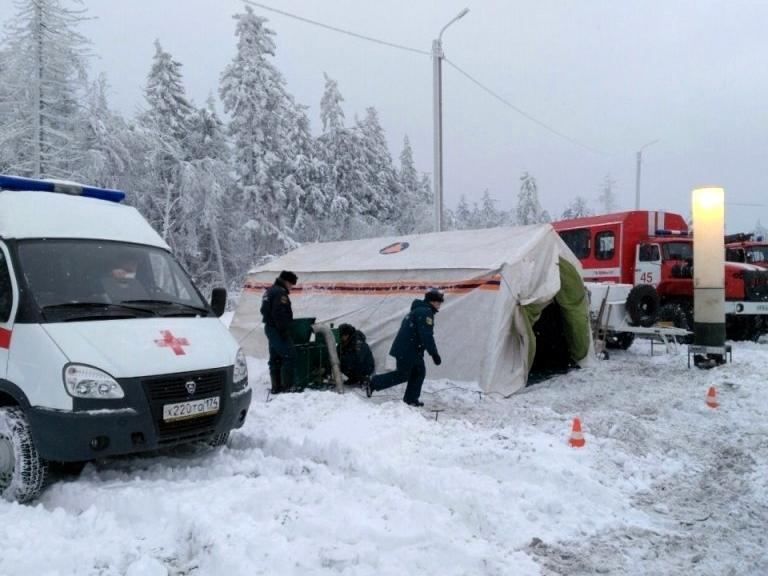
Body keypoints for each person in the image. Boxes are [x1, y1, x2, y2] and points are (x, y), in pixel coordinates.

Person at [366, 289, 443, 407]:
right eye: (438, 302)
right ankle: (373, 383)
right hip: (409, 350)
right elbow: (426, 335)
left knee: (418, 372)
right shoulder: (425, 313)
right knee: (403, 375)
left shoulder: (419, 310)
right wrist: (434, 354)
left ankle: (411, 399)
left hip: (409, 349)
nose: (439, 305)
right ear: (432, 301)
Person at [261, 270, 298, 394]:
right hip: (277, 329)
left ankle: (276, 388)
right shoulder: (280, 293)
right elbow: (279, 313)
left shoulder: (269, 291)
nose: (291, 287)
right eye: (291, 284)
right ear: (286, 281)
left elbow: (264, 310)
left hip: (270, 328)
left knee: (275, 358)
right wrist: (283, 330)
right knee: (290, 355)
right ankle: (289, 388)